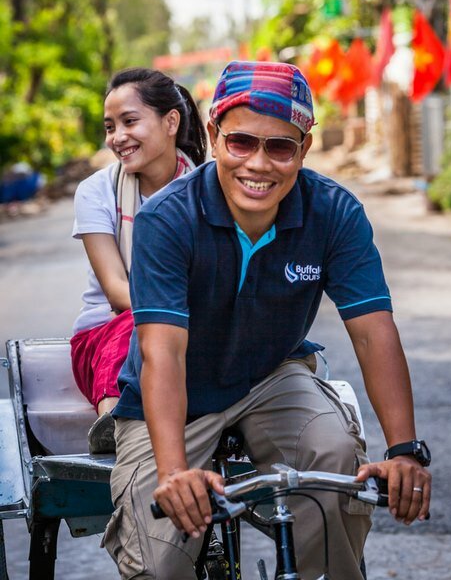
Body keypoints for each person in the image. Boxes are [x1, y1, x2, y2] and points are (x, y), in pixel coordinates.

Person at [104, 60, 431, 580]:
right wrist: (173, 473)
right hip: (171, 394)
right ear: (212, 136)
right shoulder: (166, 219)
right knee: (158, 557)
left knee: (334, 453)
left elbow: (372, 333)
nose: (259, 164)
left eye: (281, 147)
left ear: (304, 148)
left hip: (270, 375)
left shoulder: (334, 212)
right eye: (240, 142)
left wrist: (405, 452)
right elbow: (161, 351)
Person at [71, 67, 207, 453]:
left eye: (130, 121)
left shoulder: (210, 190)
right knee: (142, 322)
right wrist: (183, 314)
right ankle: (115, 419)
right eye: (110, 126)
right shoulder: (96, 192)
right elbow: (116, 291)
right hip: (108, 334)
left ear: (171, 121)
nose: (117, 137)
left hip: (194, 331)